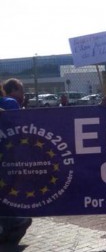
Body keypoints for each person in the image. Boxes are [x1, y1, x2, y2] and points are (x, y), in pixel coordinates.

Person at [0, 83, 33, 244]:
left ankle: (14, 221)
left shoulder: (8, 104)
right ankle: (12, 222)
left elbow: (17, 126)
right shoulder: (10, 103)